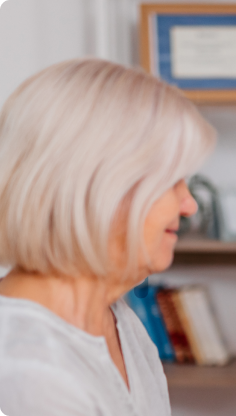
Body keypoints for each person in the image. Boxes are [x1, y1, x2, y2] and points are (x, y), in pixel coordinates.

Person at [0, 59, 216, 415]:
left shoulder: (119, 321)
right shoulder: (29, 373)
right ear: (98, 186)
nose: (189, 204)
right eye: (172, 179)